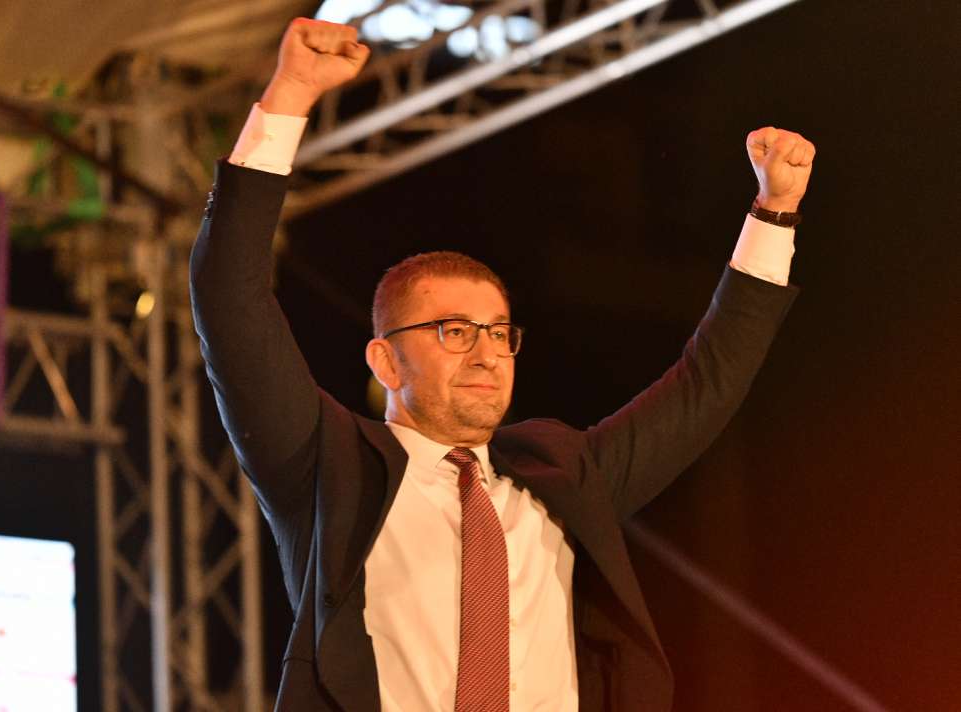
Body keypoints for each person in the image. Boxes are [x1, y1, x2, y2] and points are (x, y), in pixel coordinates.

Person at [190, 17, 815, 712]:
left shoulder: (565, 477)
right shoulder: (326, 467)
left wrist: (775, 212)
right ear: (386, 361)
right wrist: (290, 93)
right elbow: (230, 298)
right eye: (455, 332)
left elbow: (708, 384)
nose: (487, 352)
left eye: (498, 332)